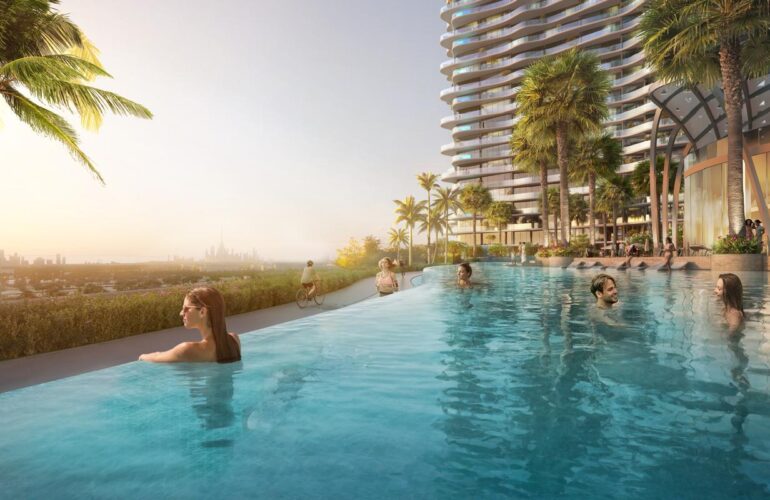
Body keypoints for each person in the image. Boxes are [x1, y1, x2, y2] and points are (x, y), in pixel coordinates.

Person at [139, 287, 241, 363]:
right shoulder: (234, 340)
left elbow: (156, 358)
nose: (181, 313)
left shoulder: (187, 350)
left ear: (202, 312)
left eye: (186, 309)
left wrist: (142, 356)